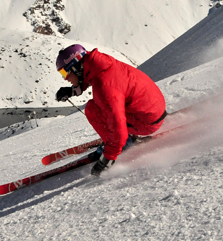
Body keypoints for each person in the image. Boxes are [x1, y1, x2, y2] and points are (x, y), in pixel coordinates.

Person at [55, 44, 167, 176]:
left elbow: (118, 130)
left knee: (92, 109)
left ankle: (126, 143)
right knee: (101, 106)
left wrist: (107, 159)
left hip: (146, 122)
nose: (65, 78)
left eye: (65, 72)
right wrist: (74, 91)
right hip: (153, 109)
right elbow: (90, 74)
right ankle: (127, 137)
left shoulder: (104, 87)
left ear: (76, 67)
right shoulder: (102, 63)